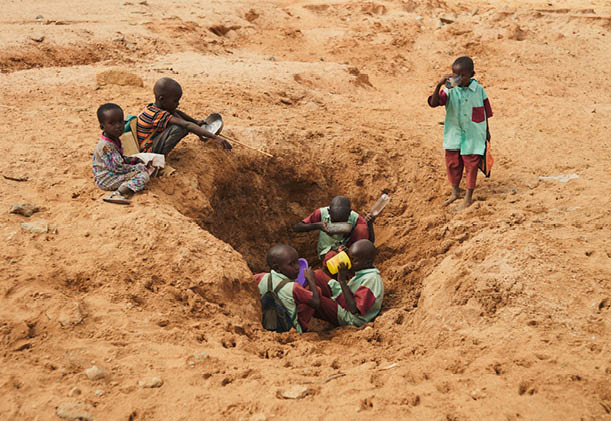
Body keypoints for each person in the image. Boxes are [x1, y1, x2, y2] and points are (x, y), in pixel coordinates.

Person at [428, 56, 493, 209]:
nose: (459, 78)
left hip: (473, 135)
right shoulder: (450, 91)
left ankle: (468, 197)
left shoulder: (479, 90)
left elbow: (485, 112)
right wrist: (439, 85)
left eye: (463, 75)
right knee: (453, 164)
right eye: (456, 74)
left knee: (471, 164)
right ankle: (455, 192)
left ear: (472, 74)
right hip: (454, 134)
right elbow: (433, 103)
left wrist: (487, 132)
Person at [136, 77, 232, 156]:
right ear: (162, 99)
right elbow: (186, 125)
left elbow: (177, 113)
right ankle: (160, 156)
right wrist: (215, 137)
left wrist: (196, 122)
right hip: (146, 152)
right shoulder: (158, 115)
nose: (178, 103)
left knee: (176, 116)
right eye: (175, 101)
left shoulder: (154, 108)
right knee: (180, 128)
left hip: (150, 143)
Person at [310, 240, 384, 327]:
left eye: (354, 260)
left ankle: (300, 320)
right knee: (318, 275)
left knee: (312, 299)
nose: (350, 262)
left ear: (367, 262)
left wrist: (342, 281)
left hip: (352, 317)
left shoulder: (372, 280)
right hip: (347, 299)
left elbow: (354, 309)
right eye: (350, 258)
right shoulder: (364, 269)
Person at [92, 103, 152, 205]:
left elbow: (119, 158)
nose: (118, 126)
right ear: (102, 126)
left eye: (120, 122)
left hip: (111, 172)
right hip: (106, 179)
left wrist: (134, 160)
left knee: (142, 168)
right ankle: (117, 193)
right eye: (112, 123)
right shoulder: (106, 146)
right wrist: (135, 167)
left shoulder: (114, 139)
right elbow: (117, 167)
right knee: (143, 175)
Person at [293, 196, 375, 266]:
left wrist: (370, 225)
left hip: (347, 251)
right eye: (334, 222)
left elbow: (369, 243)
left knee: (362, 229)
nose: (338, 226)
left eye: (342, 223)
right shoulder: (322, 213)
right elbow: (297, 227)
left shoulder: (356, 218)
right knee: (331, 259)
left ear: (349, 213)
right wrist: (317, 225)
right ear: (329, 211)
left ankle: (352, 262)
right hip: (327, 252)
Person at [255, 245, 320, 333]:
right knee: (317, 291)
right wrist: (311, 280)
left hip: (266, 325)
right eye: (291, 264)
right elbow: (316, 302)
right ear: (278, 268)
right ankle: (302, 328)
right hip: (290, 331)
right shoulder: (294, 287)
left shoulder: (259, 278)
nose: (297, 267)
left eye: (297, 262)